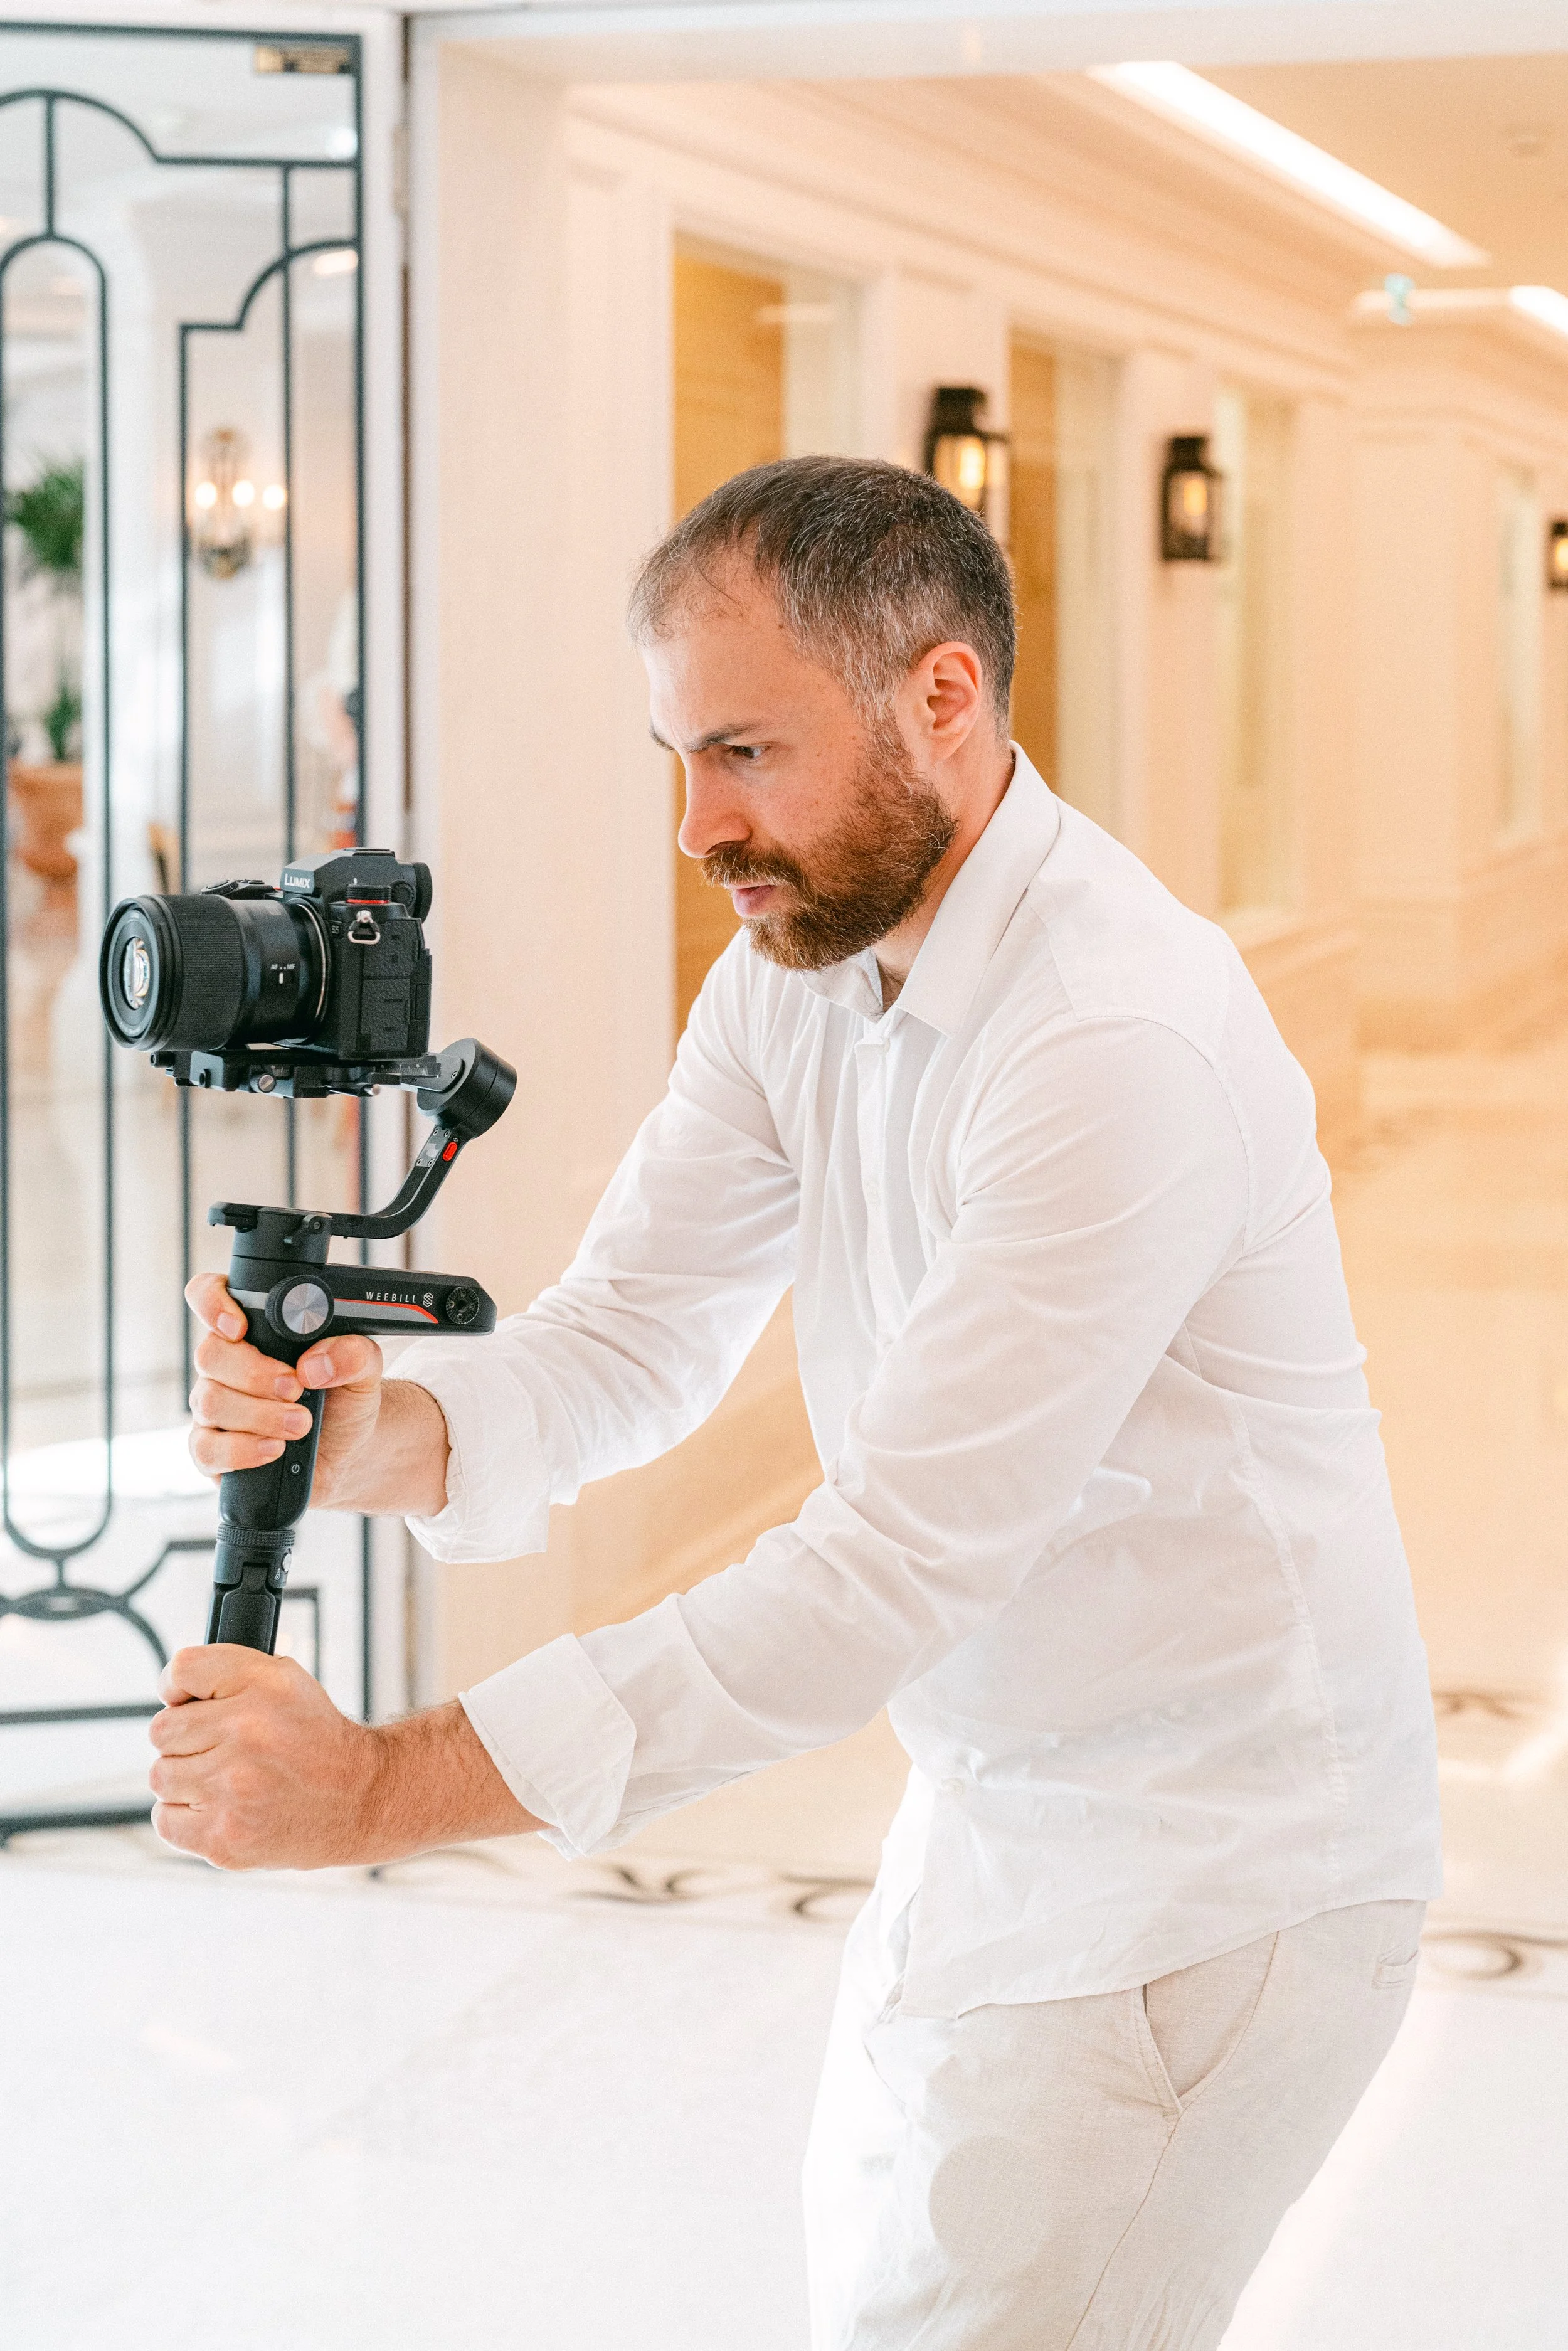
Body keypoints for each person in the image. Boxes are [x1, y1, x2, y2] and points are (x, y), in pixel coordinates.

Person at [156, 455, 1442, 2350]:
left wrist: (378, 1784)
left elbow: (883, 1570)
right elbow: (630, 1332)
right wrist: (377, 1430)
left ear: (942, 696)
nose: (698, 823)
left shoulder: (1114, 1035)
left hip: (1209, 1875)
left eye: (743, 750)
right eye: (678, 755)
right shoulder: (797, 969)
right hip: (991, 1806)